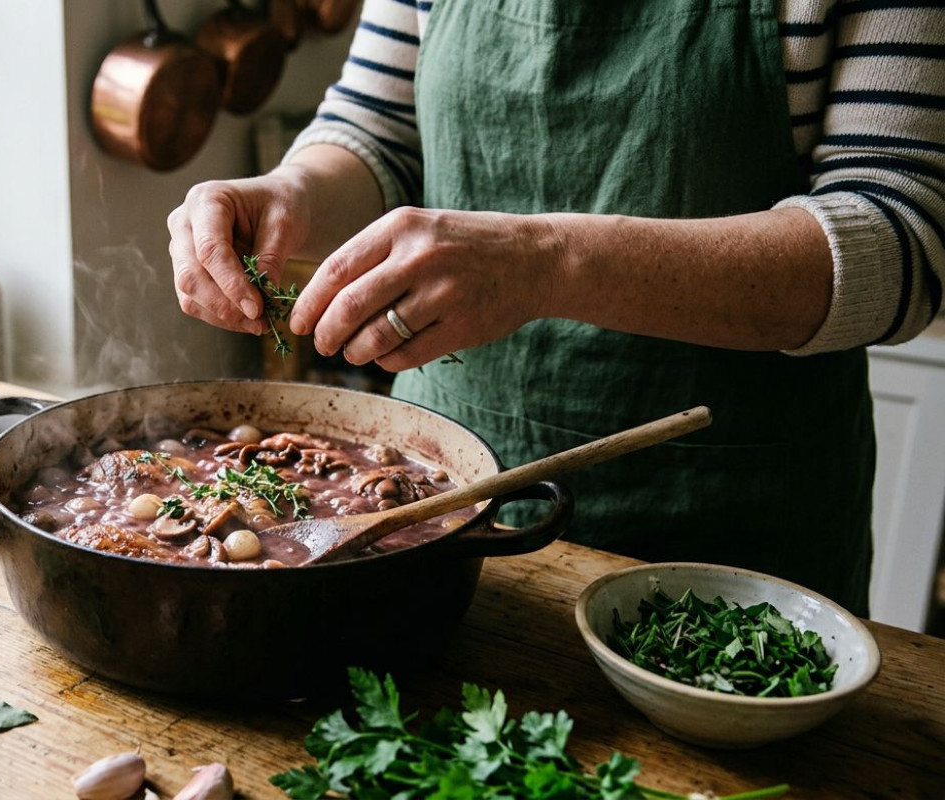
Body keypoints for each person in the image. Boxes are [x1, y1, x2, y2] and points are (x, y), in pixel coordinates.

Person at [167, 0, 945, 616]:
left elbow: (906, 243)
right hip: (436, 499)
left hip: (731, 532)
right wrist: (293, 192)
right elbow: (379, 128)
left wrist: (545, 262)